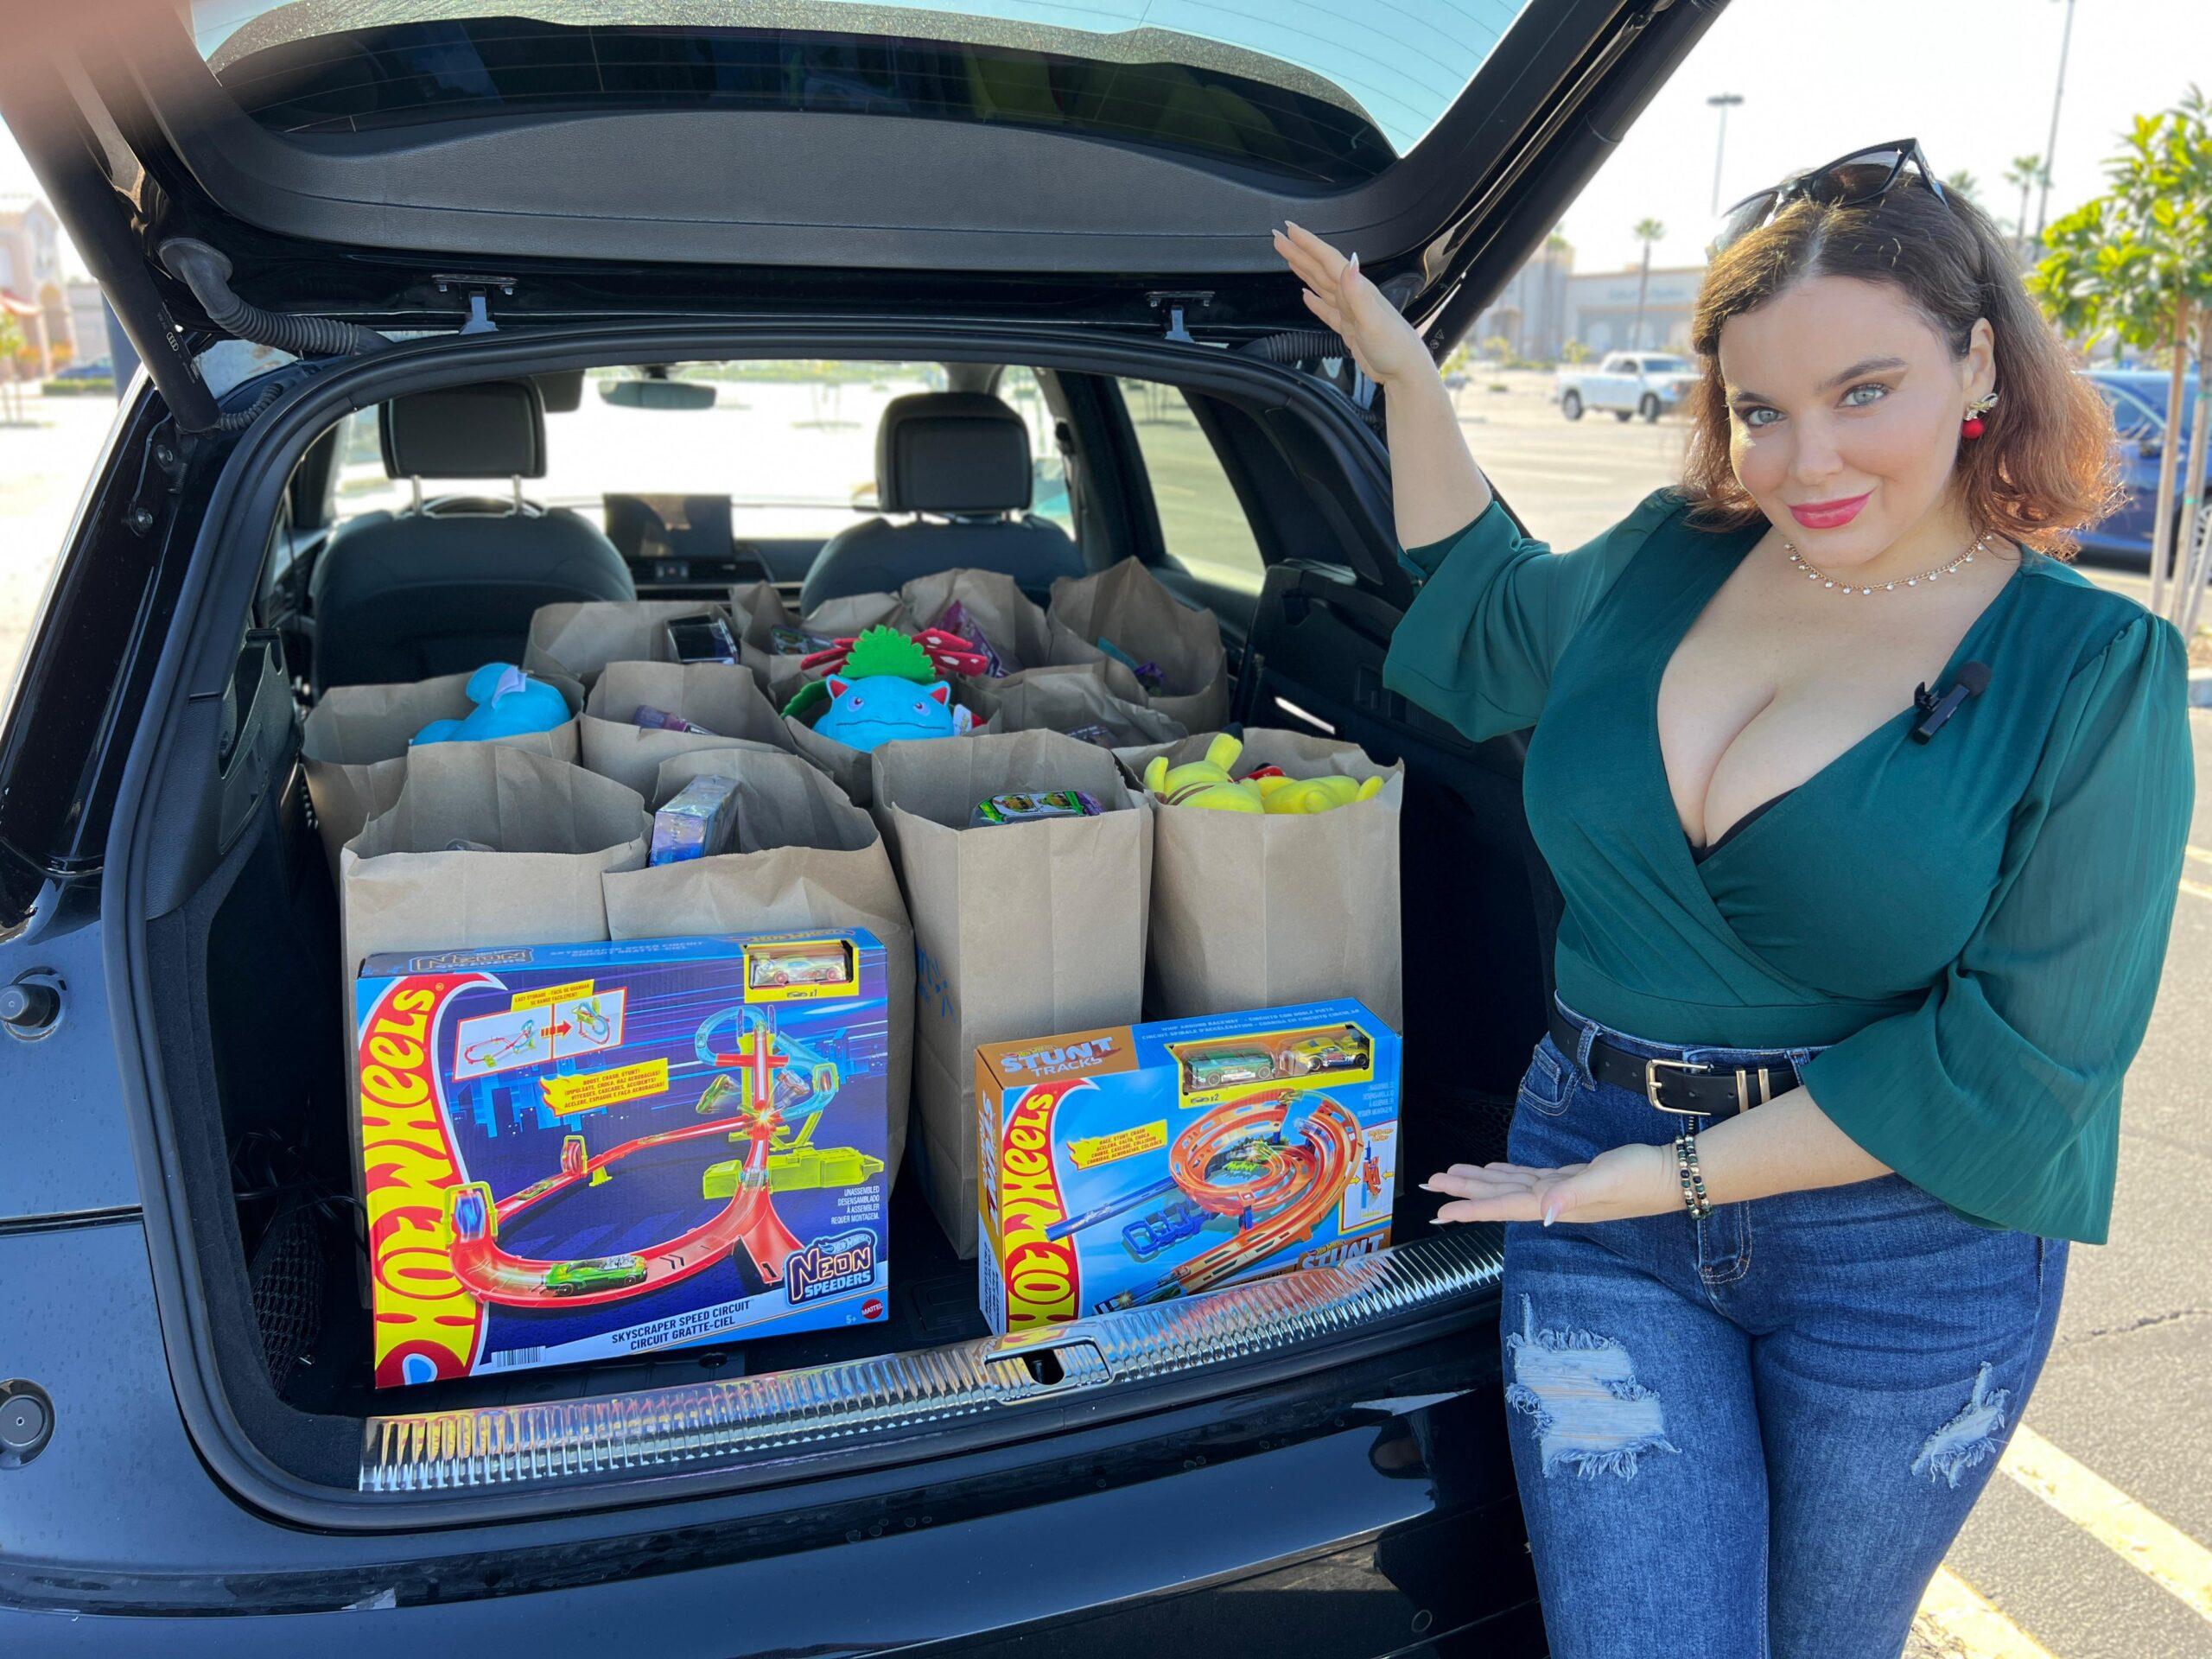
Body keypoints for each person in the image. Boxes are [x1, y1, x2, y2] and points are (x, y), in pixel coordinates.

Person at [1271, 142, 2195, 1659]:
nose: (1806, 462)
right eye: (1762, 410)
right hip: (1593, 1164)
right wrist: (1404, 375)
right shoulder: (1667, 558)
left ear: (1978, 366)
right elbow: (1490, 603)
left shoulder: (2092, 668)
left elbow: (2025, 1060)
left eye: (1864, 392)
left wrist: (1655, 1180)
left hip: (1901, 1241)